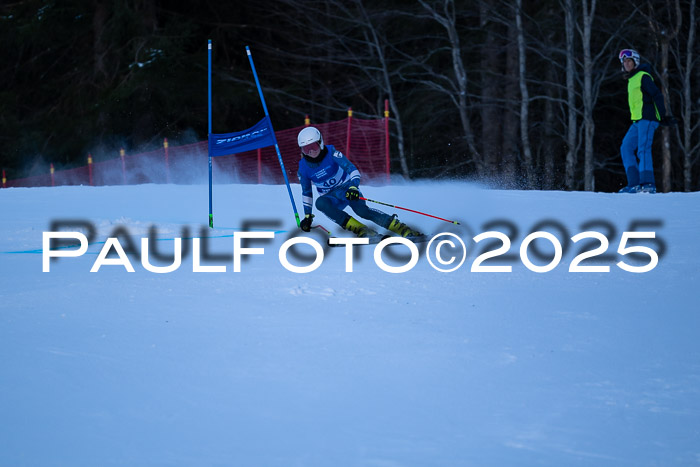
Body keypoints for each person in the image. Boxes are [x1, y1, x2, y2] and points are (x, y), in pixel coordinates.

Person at [296, 126, 422, 238]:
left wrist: (354, 187)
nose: (311, 152)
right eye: (306, 149)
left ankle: (401, 228)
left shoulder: (332, 153)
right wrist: (307, 216)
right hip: (331, 197)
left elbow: (353, 170)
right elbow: (306, 192)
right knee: (320, 203)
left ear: (320, 143)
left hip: (347, 189)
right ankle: (363, 230)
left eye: (313, 146)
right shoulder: (303, 168)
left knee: (362, 211)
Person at [618, 49, 674, 194]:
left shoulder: (643, 76)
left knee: (643, 149)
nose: (627, 64)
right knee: (626, 147)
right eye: (624, 62)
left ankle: (648, 184)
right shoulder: (632, 79)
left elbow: (657, 95)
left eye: (629, 61)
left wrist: (662, 116)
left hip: (648, 118)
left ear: (635, 62)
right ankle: (634, 184)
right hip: (637, 121)